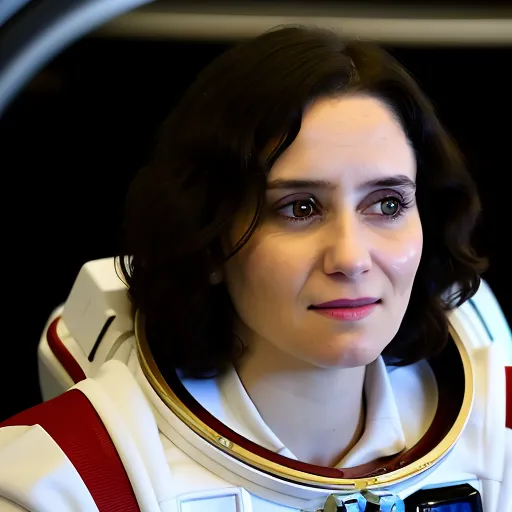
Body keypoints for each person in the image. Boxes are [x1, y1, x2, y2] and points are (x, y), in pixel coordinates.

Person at [0, 25, 511, 512]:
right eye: (300, 208)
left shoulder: (498, 438)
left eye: (388, 204)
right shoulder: (61, 484)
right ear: (208, 239)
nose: (352, 259)